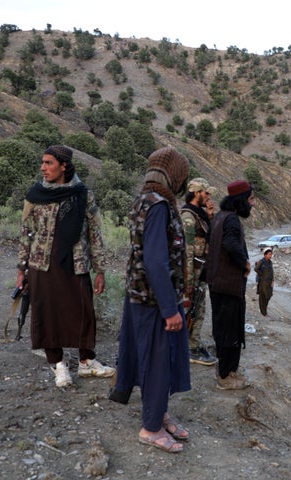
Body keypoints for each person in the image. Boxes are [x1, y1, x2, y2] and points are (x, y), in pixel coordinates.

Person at [112, 147, 192, 453]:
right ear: (173, 174)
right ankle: (151, 428)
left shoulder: (143, 200)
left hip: (141, 295)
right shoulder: (159, 206)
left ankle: (158, 413)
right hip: (154, 301)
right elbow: (156, 261)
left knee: (154, 360)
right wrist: (170, 309)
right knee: (157, 362)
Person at [16, 145, 113, 389]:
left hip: (75, 263)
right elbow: (26, 233)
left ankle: (86, 360)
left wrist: (100, 269)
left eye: (49, 163)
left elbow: (94, 234)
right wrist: (21, 268)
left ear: (64, 166)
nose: (43, 168)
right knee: (47, 313)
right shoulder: (35, 194)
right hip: (42, 264)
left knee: (84, 311)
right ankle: (58, 365)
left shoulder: (83, 194)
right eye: (43, 162)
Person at [206, 180, 254, 390]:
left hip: (218, 283)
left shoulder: (220, 217)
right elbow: (230, 245)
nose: (253, 204)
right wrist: (245, 263)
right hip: (228, 286)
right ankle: (226, 376)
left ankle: (227, 370)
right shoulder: (232, 219)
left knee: (223, 328)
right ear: (241, 200)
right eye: (251, 199)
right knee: (229, 330)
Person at [180, 177, 217, 366]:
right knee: (193, 310)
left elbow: (206, 237)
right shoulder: (188, 216)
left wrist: (209, 216)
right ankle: (189, 349)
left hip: (201, 269)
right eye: (206, 193)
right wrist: (187, 282)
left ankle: (192, 344)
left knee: (198, 309)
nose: (209, 197)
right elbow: (186, 251)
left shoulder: (199, 214)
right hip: (192, 273)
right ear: (196, 193)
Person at [254, 247, 274, 317]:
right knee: (262, 297)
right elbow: (256, 269)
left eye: (271, 254)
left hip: (269, 283)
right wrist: (261, 274)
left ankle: (264, 310)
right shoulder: (262, 261)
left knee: (268, 296)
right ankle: (264, 312)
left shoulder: (270, 262)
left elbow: (272, 272)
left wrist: (273, 281)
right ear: (265, 255)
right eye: (269, 254)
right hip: (263, 282)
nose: (270, 256)